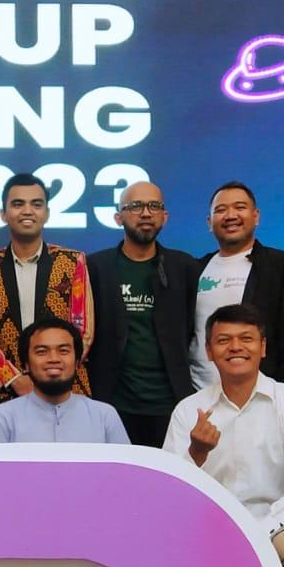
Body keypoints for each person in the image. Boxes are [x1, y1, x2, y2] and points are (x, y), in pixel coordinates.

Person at [0, 316, 126, 567]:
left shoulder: (105, 417)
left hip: (92, 562)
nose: (54, 359)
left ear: (78, 358)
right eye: (42, 351)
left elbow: (125, 498)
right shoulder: (2, 419)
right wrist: (10, 562)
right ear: (26, 362)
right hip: (27, 563)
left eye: (63, 350)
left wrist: (118, 565)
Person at [163, 304, 284, 567]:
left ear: (263, 347)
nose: (235, 347)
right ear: (209, 351)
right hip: (207, 528)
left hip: (277, 527)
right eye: (223, 340)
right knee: (163, 550)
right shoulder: (189, 410)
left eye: (246, 338)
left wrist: (256, 533)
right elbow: (170, 494)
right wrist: (196, 453)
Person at [87, 180, 200, 446]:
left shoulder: (184, 267)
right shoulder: (96, 267)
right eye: (136, 206)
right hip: (113, 403)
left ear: (165, 216)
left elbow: (194, 330)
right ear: (118, 217)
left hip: (171, 403)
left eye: (154, 206)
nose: (146, 213)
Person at [0, 172, 94, 410]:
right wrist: (14, 379)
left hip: (66, 388)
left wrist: (49, 374)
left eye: (36, 204)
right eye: (18, 204)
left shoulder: (72, 261)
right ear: (3, 214)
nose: (27, 211)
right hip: (2, 393)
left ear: (47, 213)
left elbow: (81, 329)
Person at [191, 181, 284, 397]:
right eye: (221, 210)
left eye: (240, 207)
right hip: (200, 398)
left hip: (261, 400)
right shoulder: (194, 269)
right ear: (209, 222)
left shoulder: (280, 266)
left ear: (256, 216)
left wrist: (282, 399)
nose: (231, 215)